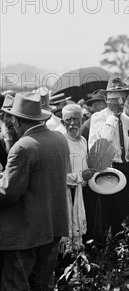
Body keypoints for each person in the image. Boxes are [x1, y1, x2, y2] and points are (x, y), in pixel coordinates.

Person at [0, 93, 70, 291]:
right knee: (42, 284)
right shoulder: (59, 139)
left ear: (16, 120)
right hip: (52, 226)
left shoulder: (23, 146)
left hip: (25, 232)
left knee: (15, 284)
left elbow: (9, 191)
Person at [88, 77, 129, 245]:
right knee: (104, 218)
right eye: (115, 97)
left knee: (123, 217)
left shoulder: (127, 120)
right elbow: (104, 142)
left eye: (122, 96)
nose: (120, 101)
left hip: (125, 169)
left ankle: (120, 256)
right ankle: (99, 256)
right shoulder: (98, 118)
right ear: (108, 98)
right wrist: (113, 117)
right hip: (106, 169)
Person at [61, 104, 96, 254]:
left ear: (82, 120)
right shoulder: (60, 142)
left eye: (76, 119)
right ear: (63, 122)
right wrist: (80, 176)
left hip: (83, 193)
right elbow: (58, 175)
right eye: (68, 120)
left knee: (82, 235)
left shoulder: (83, 141)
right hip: (65, 196)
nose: (73, 123)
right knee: (65, 239)